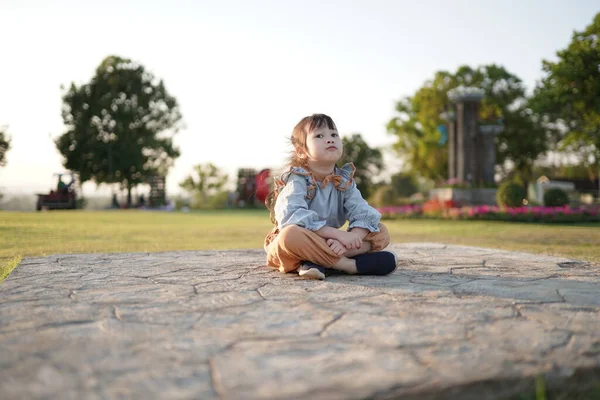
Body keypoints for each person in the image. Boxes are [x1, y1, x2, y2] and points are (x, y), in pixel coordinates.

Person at [264, 113, 397, 280]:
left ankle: (316, 263)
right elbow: (293, 216)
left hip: (328, 242)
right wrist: (339, 236)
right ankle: (347, 265)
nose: (330, 139)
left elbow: (362, 211)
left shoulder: (343, 181)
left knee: (380, 231)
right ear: (301, 151)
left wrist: (353, 236)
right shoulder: (297, 179)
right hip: (298, 243)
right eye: (319, 136)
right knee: (289, 236)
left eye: (334, 134)